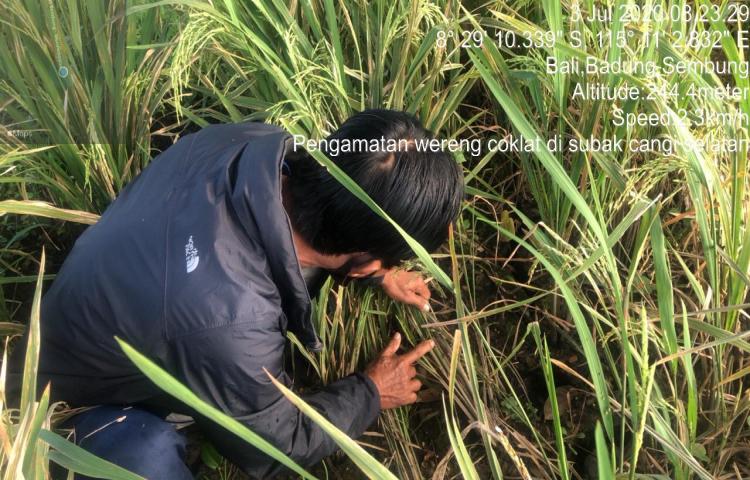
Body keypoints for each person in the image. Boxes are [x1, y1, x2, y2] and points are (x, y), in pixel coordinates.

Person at [9, 109, 464, 479]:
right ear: (362, 254)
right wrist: (370, 391)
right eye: (390, 259)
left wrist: (376, 274)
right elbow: (276, 447)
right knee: (147, 457)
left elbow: (322, 218)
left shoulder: (257, 144)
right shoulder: (230, 324)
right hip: (62, 401)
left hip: (108, 295)